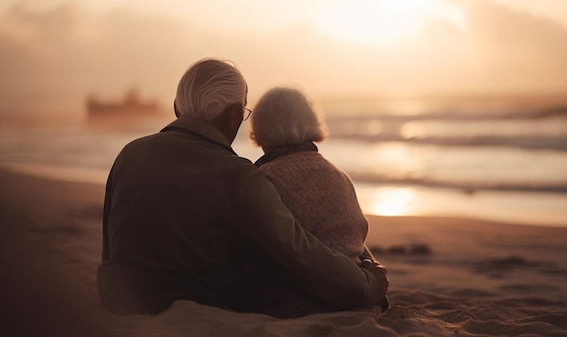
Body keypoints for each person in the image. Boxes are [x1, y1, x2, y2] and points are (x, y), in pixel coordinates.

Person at [96, 58, 388, 316]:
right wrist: (367, 283)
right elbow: (301, 253)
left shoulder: (128, 156)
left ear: (176, 107)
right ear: (235, 114)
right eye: (243, 114)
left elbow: (110, 246)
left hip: (118, 299)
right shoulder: (238, 177)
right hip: (194, 309)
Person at [249, 87, 389, 315]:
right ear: (311, 122)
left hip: (304, 295)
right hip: (354, 287)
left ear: (259, 131)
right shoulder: (339, 175)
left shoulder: (263, 179)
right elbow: (356, 236)